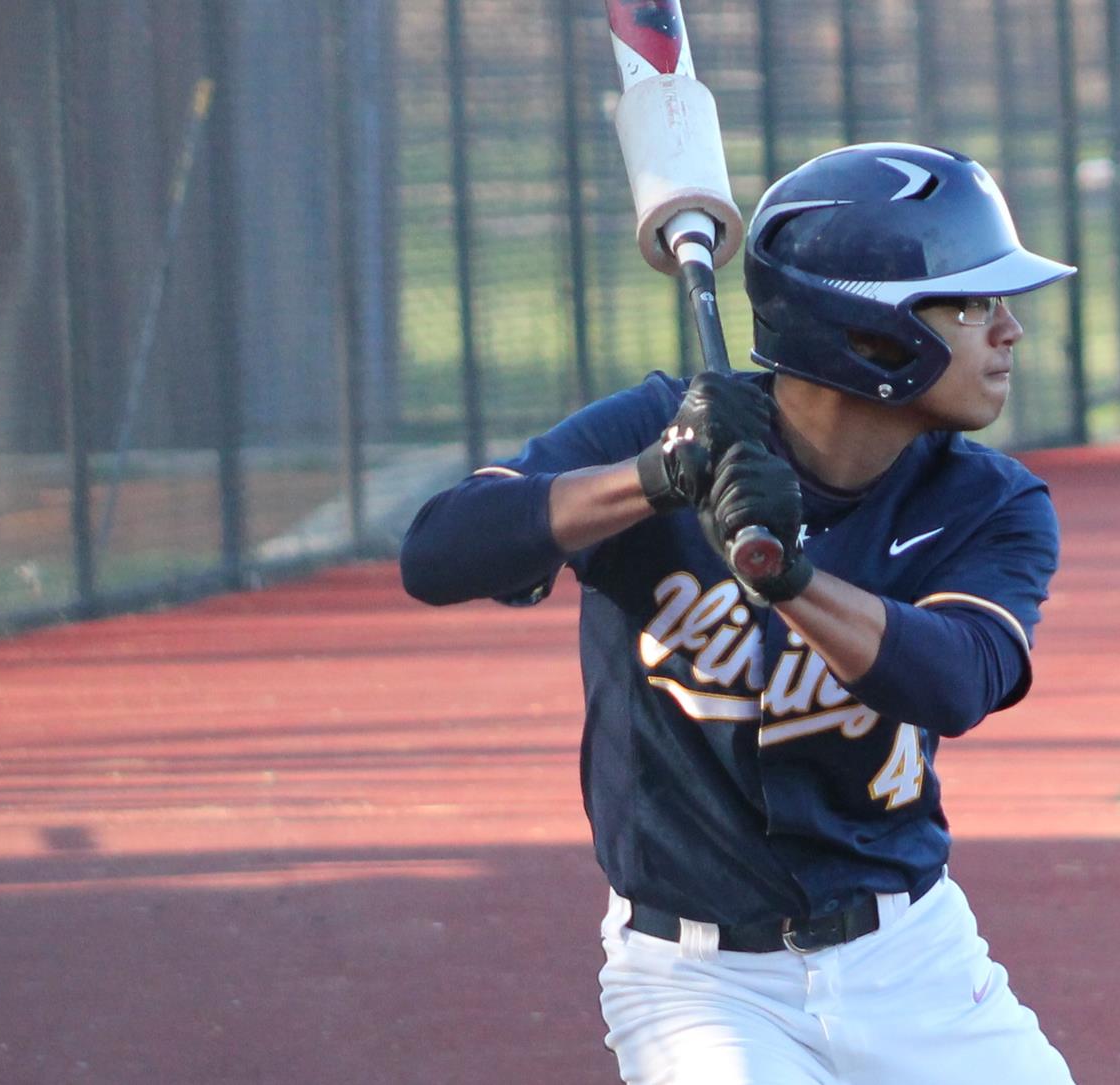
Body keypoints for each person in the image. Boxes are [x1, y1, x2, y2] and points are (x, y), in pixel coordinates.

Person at [400, 142, 1076, 1085]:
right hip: (697, 984)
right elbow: (437, 551)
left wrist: (788, 577)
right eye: (973, 302)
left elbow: (960, 680)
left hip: (912, 958)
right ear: (873, 334)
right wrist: (656, 479)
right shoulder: (666, 427)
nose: (1009, 330)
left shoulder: (989, 503)